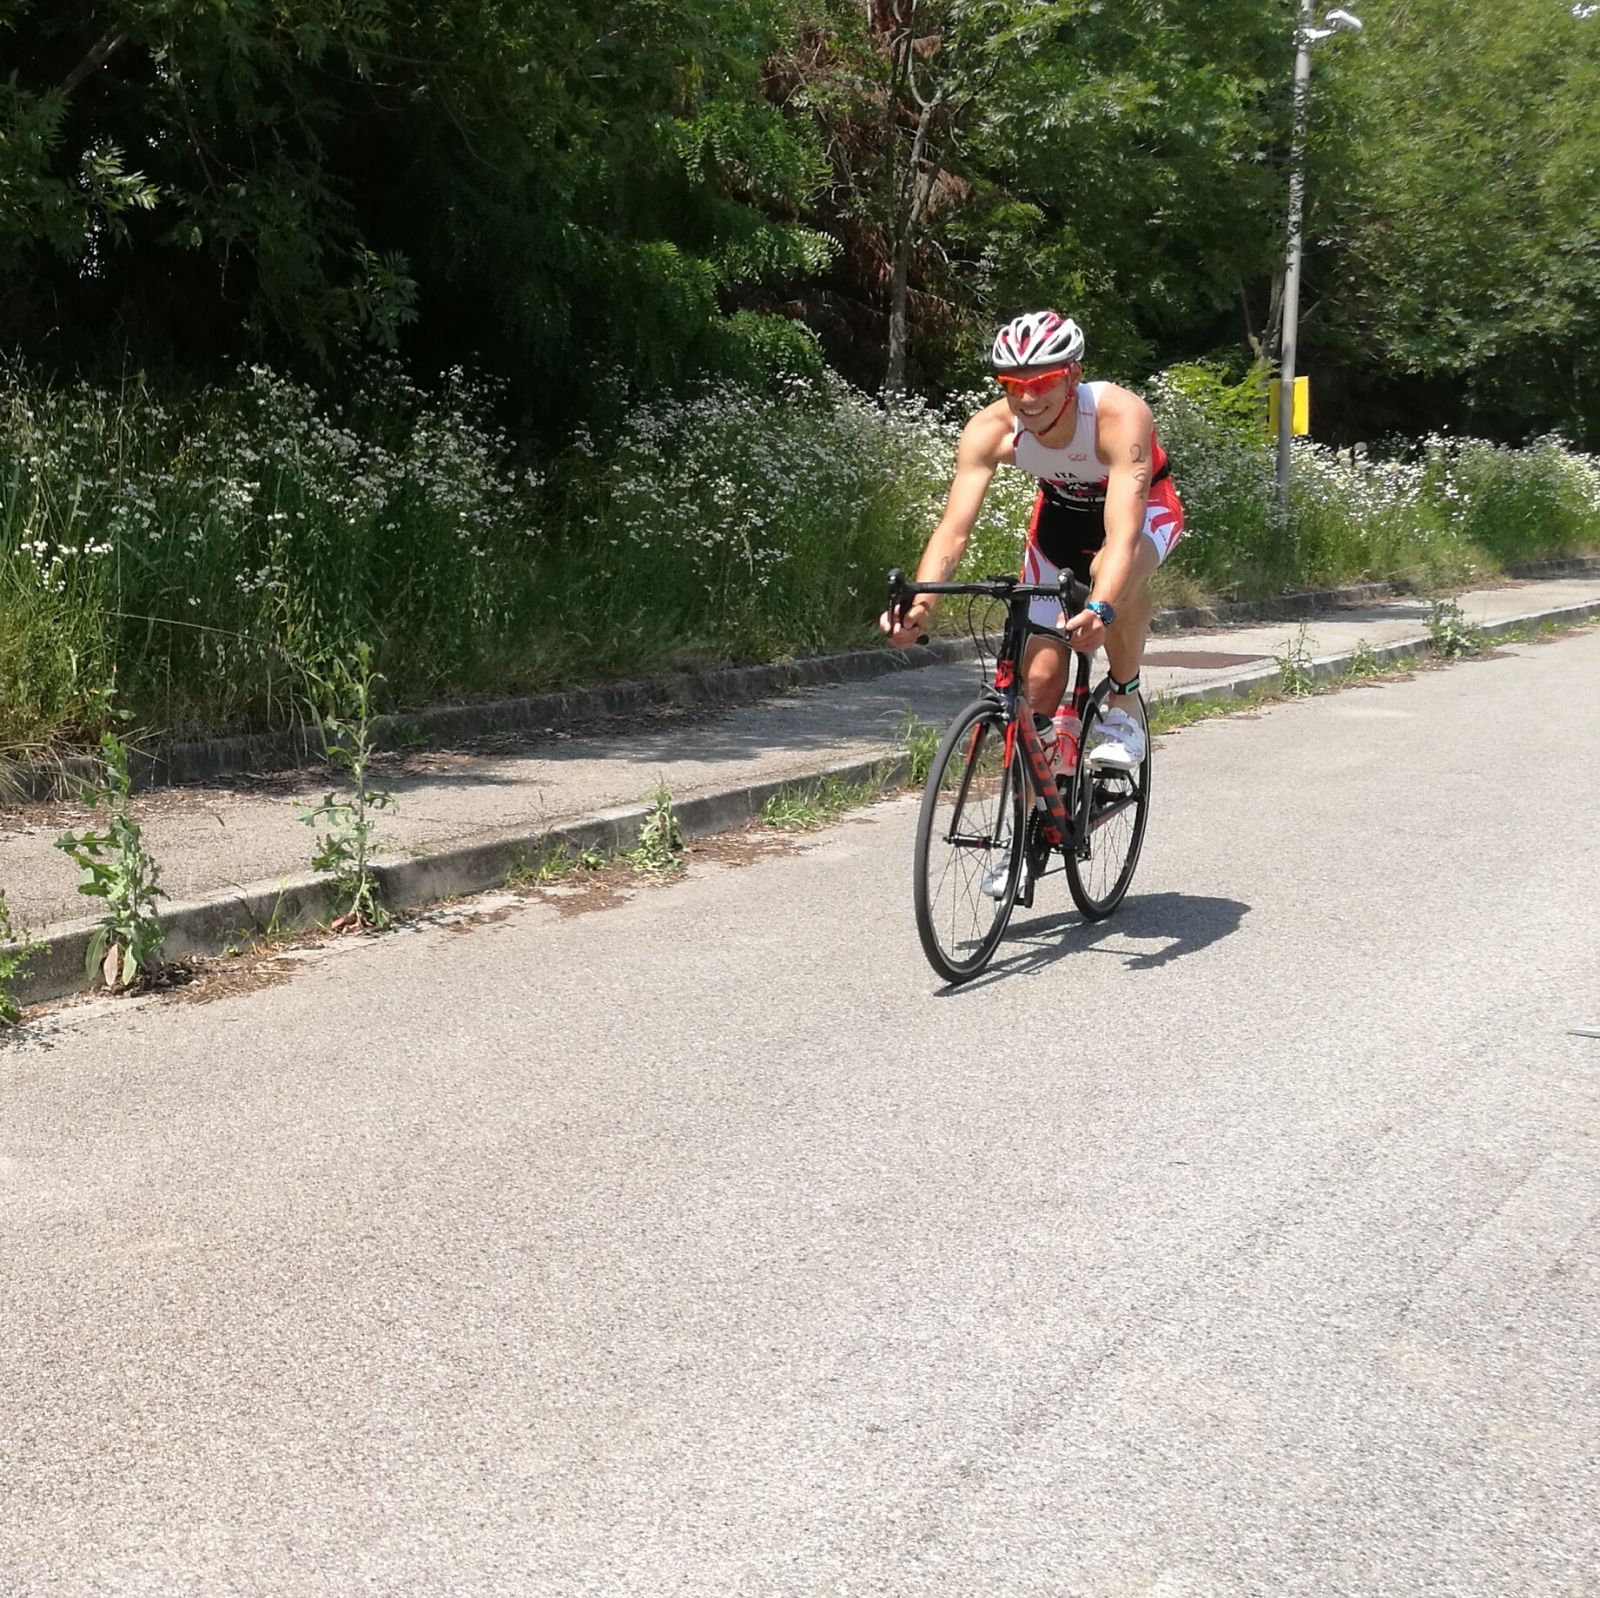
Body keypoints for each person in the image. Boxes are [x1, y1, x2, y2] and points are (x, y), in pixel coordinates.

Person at [880, 310, 1185, 770]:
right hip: (1058, 521)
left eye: (1042, 382)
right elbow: (953, 529)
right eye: (1012, 383)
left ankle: (1124, 703)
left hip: (1142, 513)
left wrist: (1101, 608)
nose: (1027, 397)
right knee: (1039, 681)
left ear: (1073, 376)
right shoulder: (991, 430)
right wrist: (920, 608)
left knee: (1112, 572)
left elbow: (1122, 534)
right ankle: (1042, 810)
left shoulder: (1119, 415)